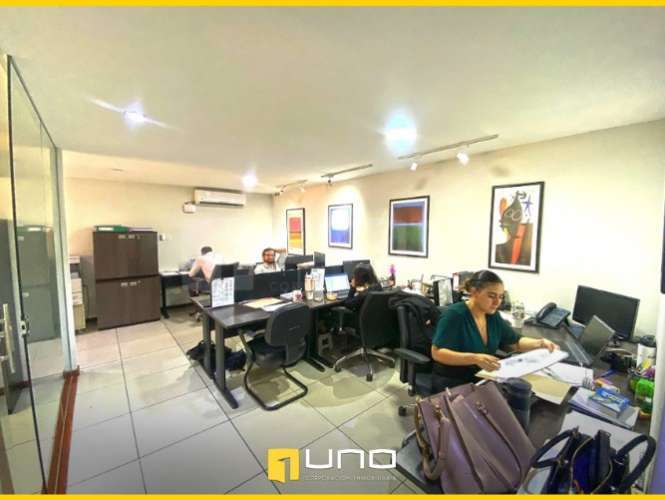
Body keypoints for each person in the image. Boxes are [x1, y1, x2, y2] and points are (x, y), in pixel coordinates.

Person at [431, 269, 558, 390]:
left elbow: (515, 342)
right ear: (474, 292)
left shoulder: (492, 315)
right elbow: (437, 353)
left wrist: (540, 343)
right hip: (453, 382)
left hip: (482, 378)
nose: (497, 302)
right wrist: (474, 358)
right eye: (492, 296)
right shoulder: (455, 315)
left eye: (501, 296)